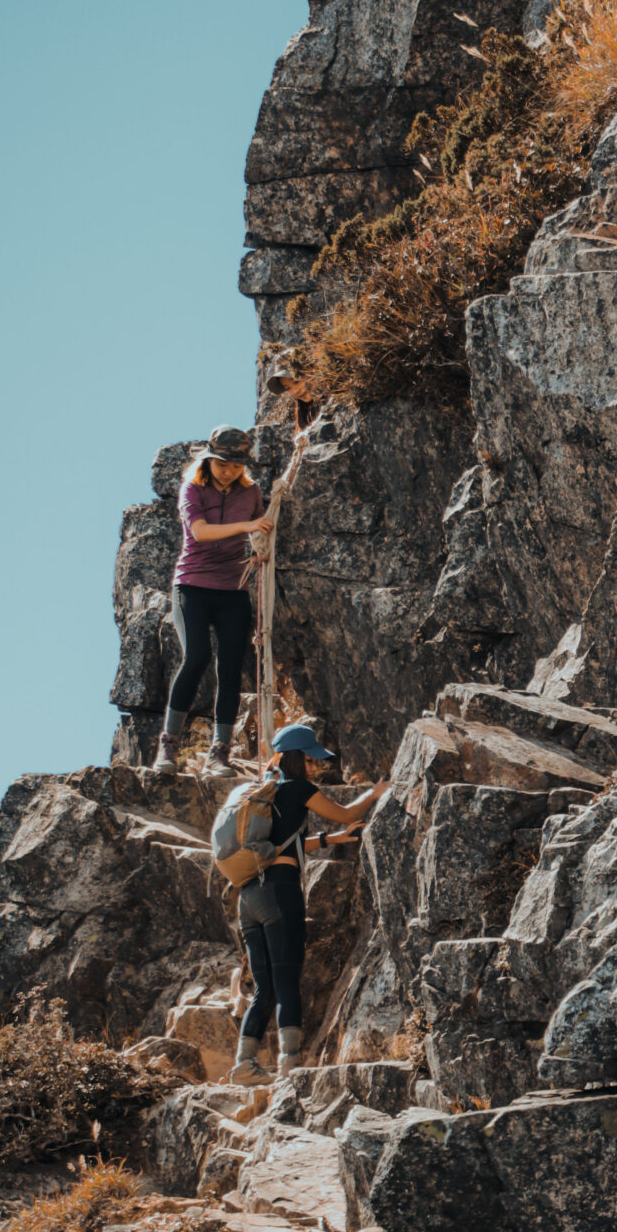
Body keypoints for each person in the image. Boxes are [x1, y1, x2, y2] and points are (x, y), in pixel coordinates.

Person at [231, 722, 388, 1084]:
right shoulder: (298, 788)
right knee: (287, 978)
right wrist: (375, 792)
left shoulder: (264, 794)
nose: (316, 766)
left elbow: (288, 844)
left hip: (249, 896)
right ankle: (289, 1066)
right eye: (311, 759)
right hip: (280, 892)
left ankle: (244, 1065)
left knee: (265, 987)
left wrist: (332, 839)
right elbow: (347, 813)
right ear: (297, 758)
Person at [154, 426, 273, 771]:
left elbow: (259, 533)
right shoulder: (192, 489)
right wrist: (248, 527)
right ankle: (169, 746)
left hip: (233, 590)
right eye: (222, 464)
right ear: (209, 460)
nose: (229, 471)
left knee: (231, 668)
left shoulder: (251, 493)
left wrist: (259, 551)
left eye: (236, 465)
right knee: (197, 656)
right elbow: (200, 532)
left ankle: (219, 752)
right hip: (192, 586)